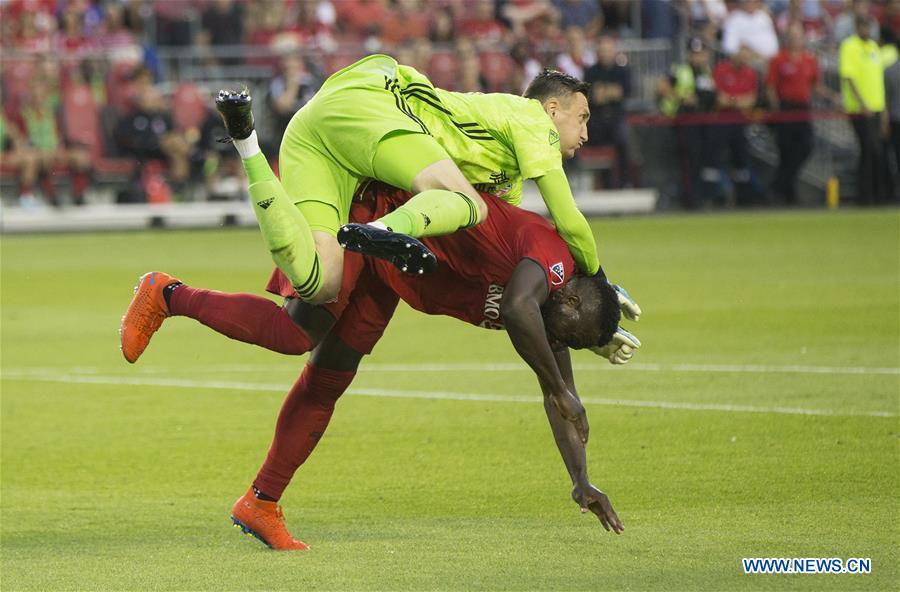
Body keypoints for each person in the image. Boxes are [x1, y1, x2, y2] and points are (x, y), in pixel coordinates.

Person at [119, 183, 642, 550]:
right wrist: (560, 386)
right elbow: (515, 311)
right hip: (373, 224)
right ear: (569, 301)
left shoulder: (550, 314)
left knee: (328, 380)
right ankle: (168, 293)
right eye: (566, 335)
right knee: (292, 332)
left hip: (394, 274)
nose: (558, 344)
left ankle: (261, 502)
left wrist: (581, 480)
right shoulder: (546, 261)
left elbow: (561, 399)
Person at [214, 57, 601, 309]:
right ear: (553, 109)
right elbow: (568, 220)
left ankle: (246, 142)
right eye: (582, 117)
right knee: (467, 202)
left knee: (320, 284)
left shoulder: (506, 172)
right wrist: (599, 284)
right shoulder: (533, 119)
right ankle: (382, 231)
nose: (585, 132)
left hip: (312, 129)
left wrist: (585, 316)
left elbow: (503, 245)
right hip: (376, 97)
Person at [765, 24, 834, 204]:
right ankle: (788, 194)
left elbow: (816, 86)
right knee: (786, 150)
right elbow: (771, 86)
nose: (795, 39)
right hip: (785, 107)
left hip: (803, 106)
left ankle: (778, 186)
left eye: (798, 35)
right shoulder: (779, 59)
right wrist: (776, 108)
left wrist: (832, 97)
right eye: (792, 35)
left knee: (805, 147)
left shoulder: (809, 59)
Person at [657, 37, 719, 209]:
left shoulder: (707, 73)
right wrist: (683, 98)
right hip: (683, 122)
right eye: (694, 53)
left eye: (700, 53)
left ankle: (704, 197)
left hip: (703, 123)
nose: (697, 57)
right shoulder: (681, 70)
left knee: (703, 160)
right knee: (688, 161)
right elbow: (661, 87)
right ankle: (690, 200)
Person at [840, 16, 889, 204]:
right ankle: (866, 196)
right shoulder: (850, 46)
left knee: (874, 151)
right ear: (857, 27)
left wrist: (883, 110)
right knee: (869, 150)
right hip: (859, 109)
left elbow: (878, 82)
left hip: (877, 107)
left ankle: (874, 194)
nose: (866, 30)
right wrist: (862, 103)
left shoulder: (874, 48)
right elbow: (849, 76)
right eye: (863, 26)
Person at [711, 43, 760, 206]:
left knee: (741, 160)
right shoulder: (722, 70)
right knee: (716, 159)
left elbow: (751, 101)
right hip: (721, 122)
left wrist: (731, 100)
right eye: (742, 56)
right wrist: (739, 100)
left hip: (741, 123)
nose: (744, 60)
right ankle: (716, 195)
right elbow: (719, 99)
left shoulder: (750, 73)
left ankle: (743, 197)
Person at [583, 35, 631, 187]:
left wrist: (604, 92)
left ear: (614, 51)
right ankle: (600, 184)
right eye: (602, 50)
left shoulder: (622, 71)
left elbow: (624, 92)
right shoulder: (590, 72)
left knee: (624, 140)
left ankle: (624, 183)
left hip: (616, 118)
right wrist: (612, 92)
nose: (605, 53)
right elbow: (592, 96)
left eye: (608, 50)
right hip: (595, 120)